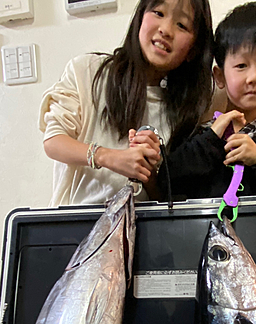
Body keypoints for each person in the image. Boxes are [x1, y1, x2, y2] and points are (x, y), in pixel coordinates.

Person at [39, 0, 213, 206]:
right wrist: (107, 157)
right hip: (76, 226)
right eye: (158, 13)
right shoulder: (88, 71)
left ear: (193, 50)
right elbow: (53, 142)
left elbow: (165, 201)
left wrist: (149, 171)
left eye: (182, 25)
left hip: (143, 231)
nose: (166, 30)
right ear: (140, 17)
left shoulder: (187, 110)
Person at [157, 1, 256, 200]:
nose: (254, 77)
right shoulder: (198, 136)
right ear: (219, 76)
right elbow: (166, 181)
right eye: (242, 65)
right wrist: (210, 139)